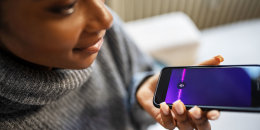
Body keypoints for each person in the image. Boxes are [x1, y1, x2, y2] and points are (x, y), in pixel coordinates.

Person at [0, 0, 223, 129]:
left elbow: (138, 76)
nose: (106, 18)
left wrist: (141, 90)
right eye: (67, 7)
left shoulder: (102, 35)